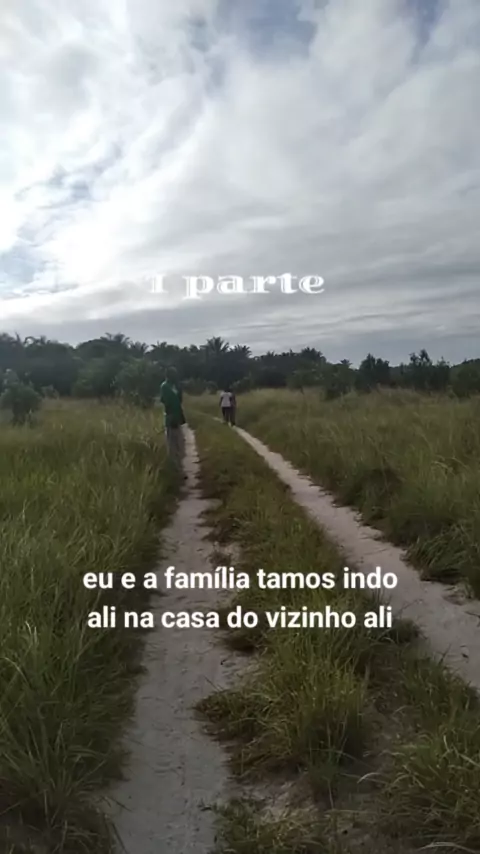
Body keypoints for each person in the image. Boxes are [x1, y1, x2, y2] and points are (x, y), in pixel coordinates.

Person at [160, 367, 186, 468]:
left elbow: (179, 401)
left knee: (179, 443)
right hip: (171, 418)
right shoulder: (165, 386)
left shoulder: (174, 386)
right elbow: (166, 402)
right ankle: (176, 467)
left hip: (176, 417)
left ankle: (179, 466)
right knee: (173, 444)